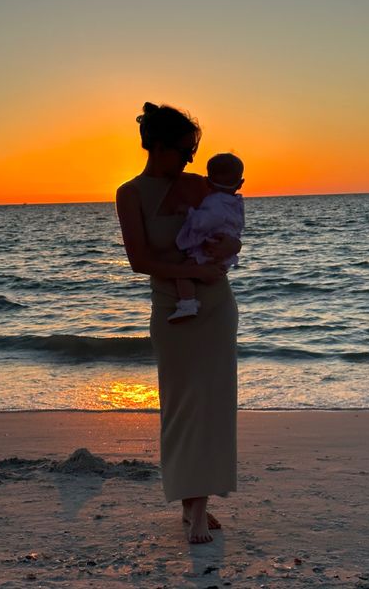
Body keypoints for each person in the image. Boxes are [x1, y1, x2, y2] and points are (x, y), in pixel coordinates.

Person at [116, 102, 240, 544]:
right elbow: (138, 261)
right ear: (159, 146)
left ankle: (199, 508)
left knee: (215, 404)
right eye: (185, 149)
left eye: (194, 150)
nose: (190, 159)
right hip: (173, 308)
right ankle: (191, 503)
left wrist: (227, 248)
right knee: (180, 406)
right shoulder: (129, 193)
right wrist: (193, 271)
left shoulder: (199, 185)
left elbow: (229, 228)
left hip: (215, 305)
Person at [168, 153, 245, 323]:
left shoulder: (214, 201)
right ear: (240, 184)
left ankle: (188, 303)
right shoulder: (237, 203)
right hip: (221, 255)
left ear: (208, 182)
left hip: (209, 249)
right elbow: (238, 226)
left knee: (184, 272)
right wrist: (233, 245)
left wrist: (189, 213)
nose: (190, 158)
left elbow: (203, 222)